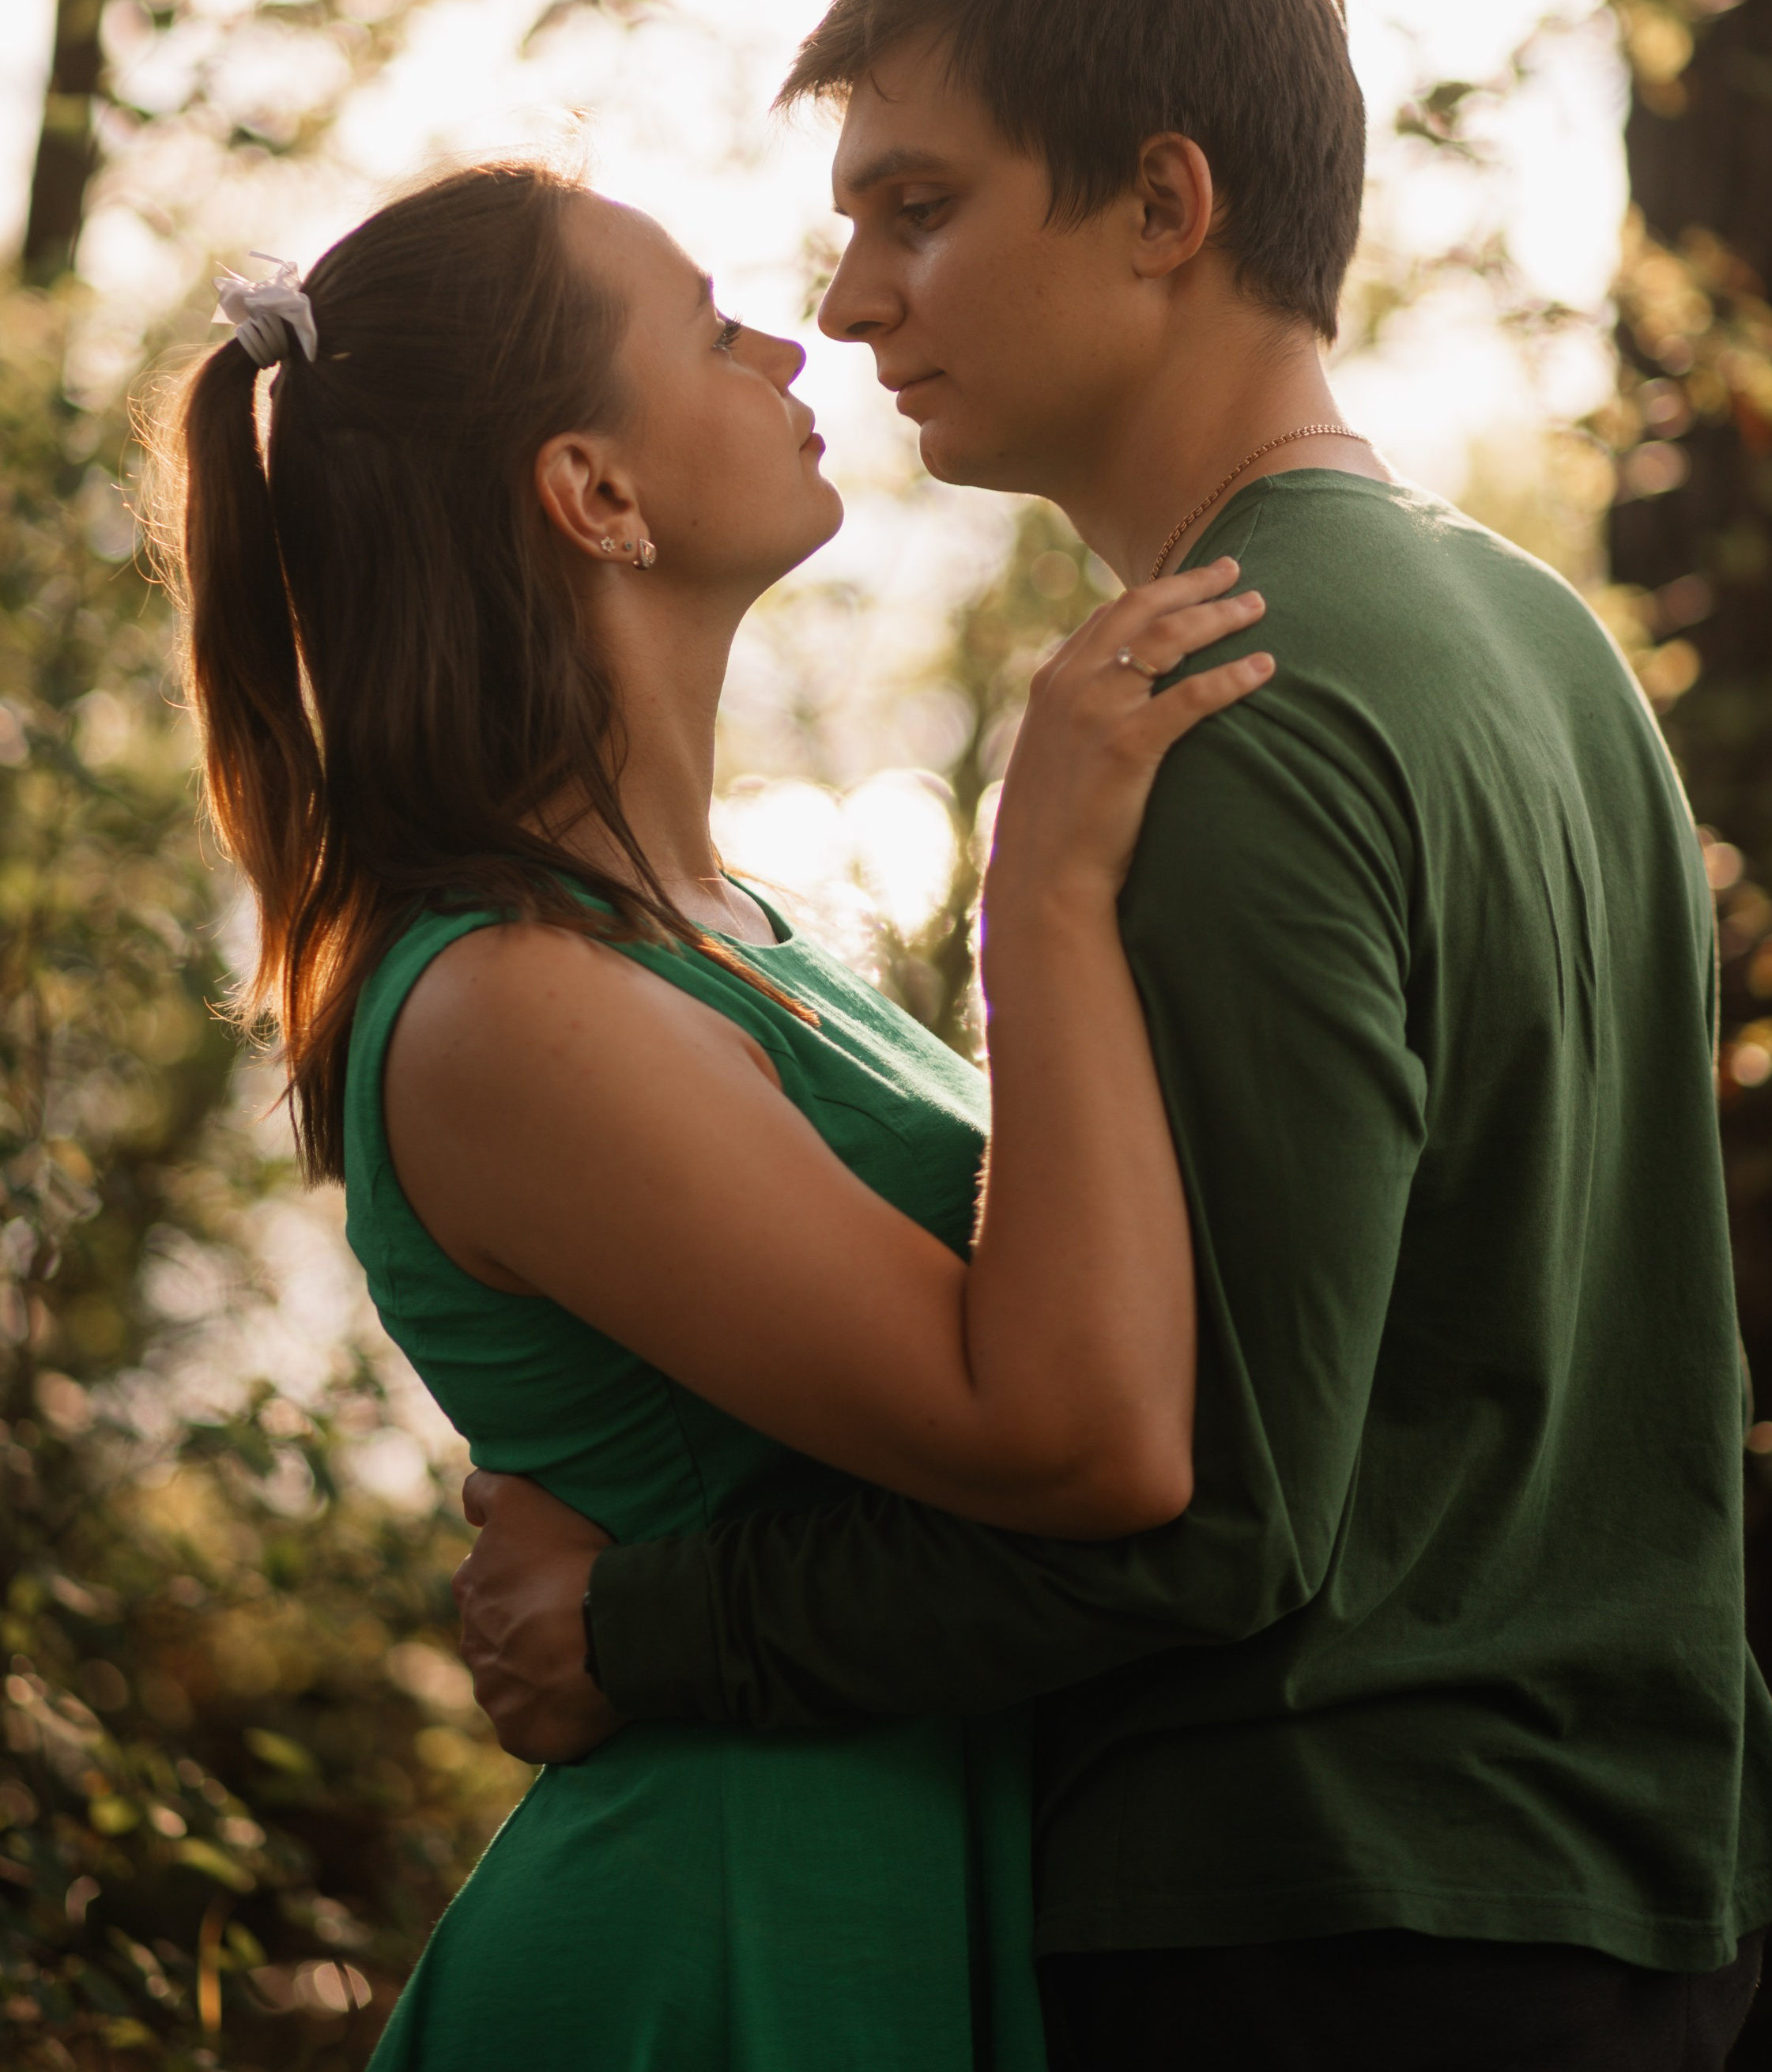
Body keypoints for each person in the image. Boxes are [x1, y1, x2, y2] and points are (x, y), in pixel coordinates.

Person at [454, 0, 1772, 2072]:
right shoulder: (1543, 634)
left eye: (919, 206)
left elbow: (1195, 1506)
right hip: (1623, 1889)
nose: (848, 295)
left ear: (1164, 203)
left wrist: (640, 1620)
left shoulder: (1219, 710)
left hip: (1331, 1927)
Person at [164, 155, 1280, 2070]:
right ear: (592, 492)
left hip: (899, 1901)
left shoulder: (723, 930)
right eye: (706, 329)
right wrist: (1038, 891)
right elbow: (1076, 1434)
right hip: (722, 1946)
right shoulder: (514, 1005)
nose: (790, 341)